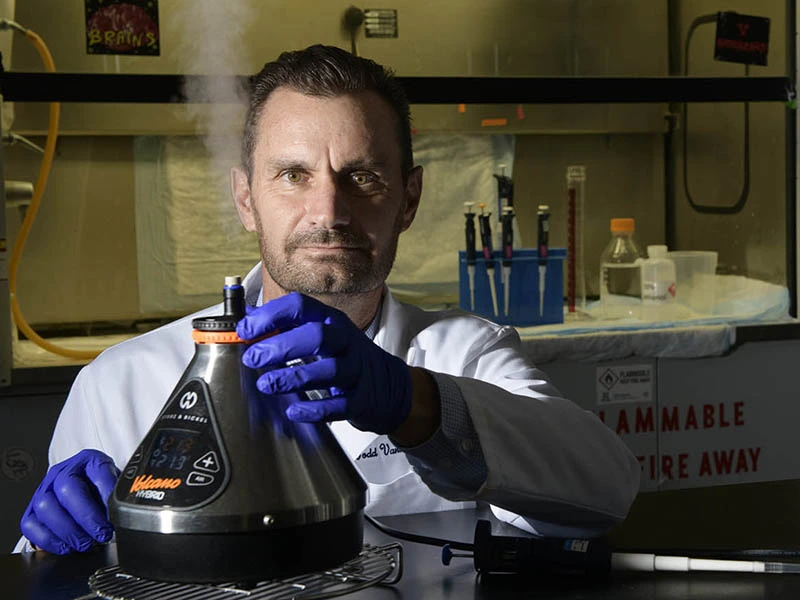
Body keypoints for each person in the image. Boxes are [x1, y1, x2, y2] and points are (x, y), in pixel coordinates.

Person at [15, 44, 640, 555]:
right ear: (244, 198)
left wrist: (415, 404)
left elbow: (606, 489)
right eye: (293, 175)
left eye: (361, 177)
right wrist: (53, 545)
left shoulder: (464, 355)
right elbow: (50, 575)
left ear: (410, 198)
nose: (329, 212)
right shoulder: (124, 383)